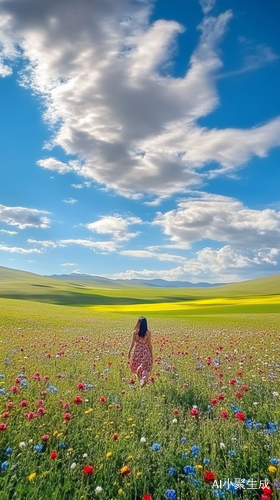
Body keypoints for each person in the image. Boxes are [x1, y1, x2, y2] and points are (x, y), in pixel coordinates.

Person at [128, 316, 153, 387]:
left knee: (137, 367)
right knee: (145, 368)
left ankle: (140, 381)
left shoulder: (135, 333)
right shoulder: (148, 333)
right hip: (145, 352)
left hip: (137, 352)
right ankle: (143, 381)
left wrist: (129, 352)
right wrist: (151, 355)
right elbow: (150, 345)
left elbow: (132, 344)